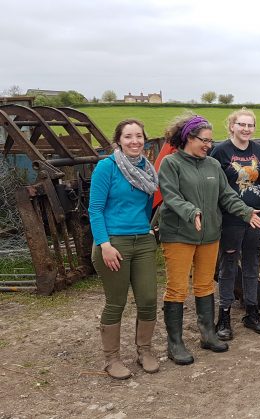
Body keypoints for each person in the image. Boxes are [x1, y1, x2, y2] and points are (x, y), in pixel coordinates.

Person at [158, 113, 260, 365]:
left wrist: (245, 211)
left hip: (209, 234)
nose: (208, 145)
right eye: (203, 140)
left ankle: (207, 334)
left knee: (205, 285)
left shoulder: (212, 165)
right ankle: (175, 344)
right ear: (188, 138)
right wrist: (190, 211)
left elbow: (226, 195)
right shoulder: (171, 164)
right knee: (177, 288)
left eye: (209, 140)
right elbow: (170, 196)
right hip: (179, 235)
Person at [89, 119, 160, 379]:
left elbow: (147, 205)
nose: (134, 141)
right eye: (128, 136)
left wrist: (147, 227)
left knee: (148, 299)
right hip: (113, 243)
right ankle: (112, 359)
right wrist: (104, 244)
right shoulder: (106, 167)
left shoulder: (148, 170)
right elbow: (95, 209)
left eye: (139, 136)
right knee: (116, 302)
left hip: (142, 241)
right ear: (118, 140)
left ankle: (145, 350)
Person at [210, 108, 260, 340]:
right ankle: (224, 315)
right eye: (241, 125)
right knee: (228, 265)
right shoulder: (221, 151)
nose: (246, 129)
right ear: (232, 126)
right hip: (232, 218)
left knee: (252, 263)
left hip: (257, 217)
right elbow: (217, 186)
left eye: (250, 125)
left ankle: (252, 312)